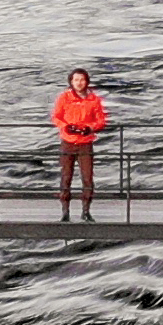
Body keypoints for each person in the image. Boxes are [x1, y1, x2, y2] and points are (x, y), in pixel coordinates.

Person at [52, 68, 109, 218]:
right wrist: (65, 126)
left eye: (82, 80)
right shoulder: (64, 97)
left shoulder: (94, 99)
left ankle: (86, 210)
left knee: (87, 177)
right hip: (67, 142)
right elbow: (56, 117)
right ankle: (65, 211)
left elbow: (101, 121)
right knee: (66, 176)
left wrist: (90, 128)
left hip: (85, 143)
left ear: (87, 81)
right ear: (71, 81)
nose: (79, 83)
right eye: (76, 80)